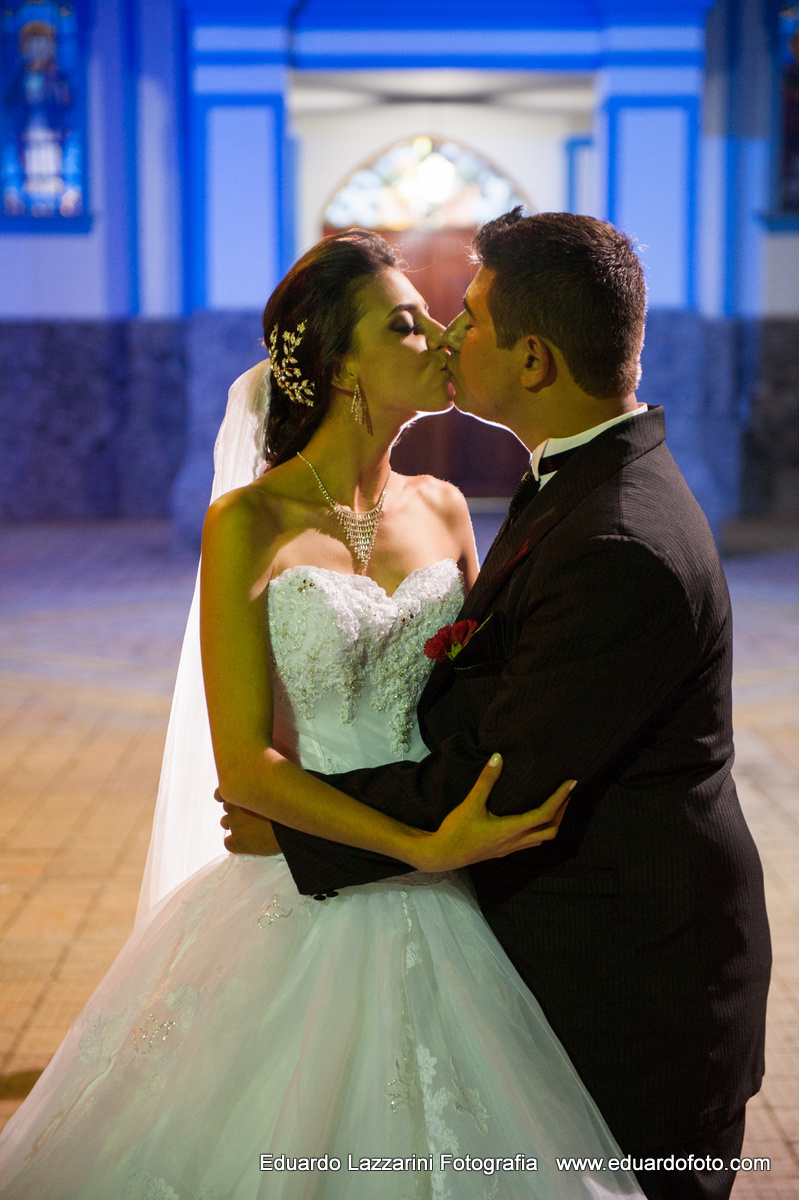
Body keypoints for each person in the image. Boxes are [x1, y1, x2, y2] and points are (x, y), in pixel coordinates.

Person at [0, 230, 644, 1200]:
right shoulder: (248, 524)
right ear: (340, 366)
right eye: (404, 323)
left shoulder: (444, 507)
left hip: (449, 874)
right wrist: (422, 850)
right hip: (303, 882)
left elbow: (477, 699)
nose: (440, 335)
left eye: (432, 317)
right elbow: (248, 774)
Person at [223, 211, 772, 1200]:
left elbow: (501, 772)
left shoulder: (610, 537)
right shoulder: (578, 485)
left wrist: (293, 827)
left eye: (462, 316)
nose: (442, 335)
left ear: (529, 358)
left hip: (628, 978)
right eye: (414, 321)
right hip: (497, 913)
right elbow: (468, 683)